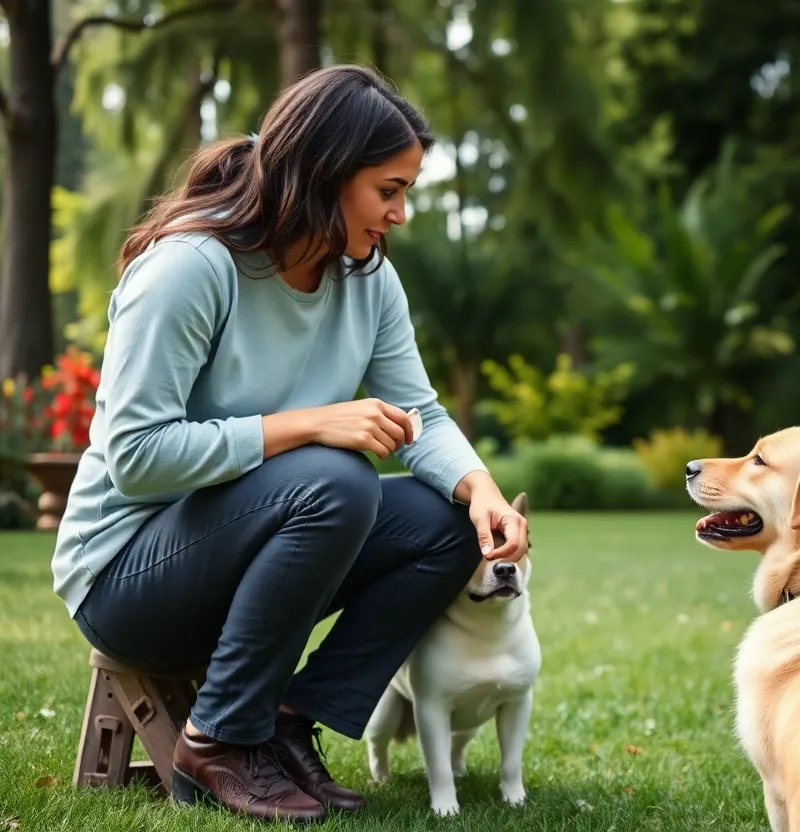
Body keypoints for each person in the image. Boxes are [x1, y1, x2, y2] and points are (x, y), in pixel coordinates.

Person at [49, 64, 529, 824]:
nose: (400, 214)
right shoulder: (190, 268)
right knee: (337, 477)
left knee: (445, 521)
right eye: (389, 189)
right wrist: (307, 424)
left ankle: (284, 722)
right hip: (127, 577)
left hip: (247, 554)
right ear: (326, 173)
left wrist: (483, 492)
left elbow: (421, 416)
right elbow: (135, 457)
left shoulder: (366, 279)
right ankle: (218, 739)